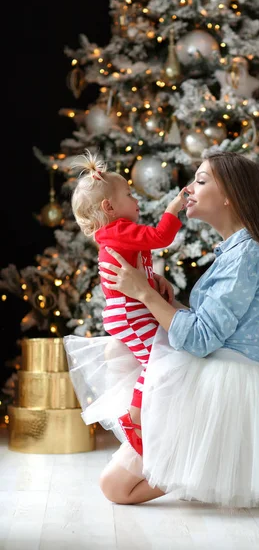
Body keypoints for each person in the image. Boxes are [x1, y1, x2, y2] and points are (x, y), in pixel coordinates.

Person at [90, 150, 259, 508]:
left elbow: (200, 340)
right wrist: (163, 298)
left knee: (114, 488)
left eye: (200, 181)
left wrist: (143, 293)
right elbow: (213, 326)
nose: (188, 189)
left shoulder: (246, 255)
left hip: (224, 377)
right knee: (116, 350)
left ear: (229, 195)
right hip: (216, 362)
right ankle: (201, 461)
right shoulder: (236, 251)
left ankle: (206, 461)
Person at [68, 150, 186, 454]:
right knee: (160, 361)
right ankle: (134, 418)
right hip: (130, 314)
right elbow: (161, 237)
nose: (136, 200)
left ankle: (146, 416)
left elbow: (135, 268)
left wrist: (153, 281)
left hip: (134, 309)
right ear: (109, 206)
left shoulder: (117, 233)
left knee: (164, 357)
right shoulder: (118, 230)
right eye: (129, 194)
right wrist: (174, 207)